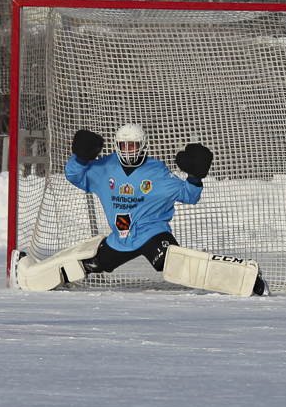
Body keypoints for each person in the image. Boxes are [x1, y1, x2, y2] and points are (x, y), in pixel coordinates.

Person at [16, 123, 268, 296]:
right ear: (117, 146)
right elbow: (75, 176)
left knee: (173, 263)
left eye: (133, 145)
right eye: (124, 146)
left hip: (151, 232)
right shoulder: (105, 167)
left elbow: (189, 196)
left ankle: (248, 281)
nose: (128, 151)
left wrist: (194, 176)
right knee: (87, 263)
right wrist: (80, 157)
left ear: (143, 146)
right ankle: (31, 275)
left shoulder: (156, 171)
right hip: (121, 238)